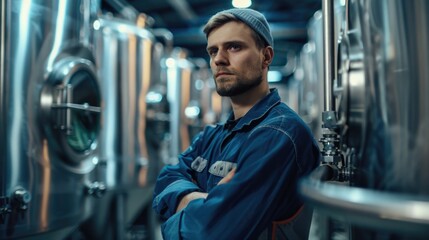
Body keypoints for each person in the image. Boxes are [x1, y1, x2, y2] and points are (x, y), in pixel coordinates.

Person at [152, 8, 320, 239]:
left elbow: (209, 232)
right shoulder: (212, 135)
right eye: (213, 51)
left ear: (266, 56)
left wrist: (180, 207)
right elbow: (165, 179)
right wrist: (199, 201)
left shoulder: (280, 134)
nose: (219, 59)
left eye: (234, 47)